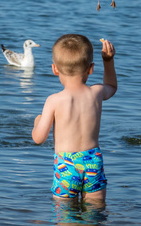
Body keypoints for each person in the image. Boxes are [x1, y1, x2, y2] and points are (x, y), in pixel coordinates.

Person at [32, 34, 117, 202]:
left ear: (54, 69)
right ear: (91, 69)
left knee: (64, 214)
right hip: (93, 161)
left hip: (66, 165)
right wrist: (108, 61)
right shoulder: (97, 92)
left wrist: (37, 122)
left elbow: (38, 138)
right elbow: (112, 86)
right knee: (95, 210)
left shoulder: (54, 100)